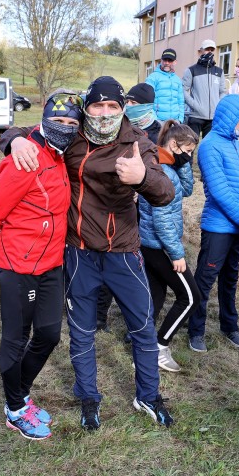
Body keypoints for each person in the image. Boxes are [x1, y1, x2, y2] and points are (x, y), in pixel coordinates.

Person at [0, 76, 175, 431]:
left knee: (142, 327)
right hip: (79, 252)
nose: (105, 113)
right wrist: (14, 139)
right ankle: (89, 397)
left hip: (123, 252)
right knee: (82, 331)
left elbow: (165, 192)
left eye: (113, 106)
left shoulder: (136, 143)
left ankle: (148, 395)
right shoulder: (73, 136)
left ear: (123, 108)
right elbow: (30, 128)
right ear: (88, 108)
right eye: (98, 106)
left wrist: (141, 178)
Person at [0, 90, 83, 440]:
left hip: (52, 265)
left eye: (72, 123)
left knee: (50, 334)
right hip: (18, 267)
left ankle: (19, 394)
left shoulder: (59, 155)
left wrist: (15, 136)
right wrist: (14, 252)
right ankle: (15, 410)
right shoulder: (27, 158)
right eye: (59, 121)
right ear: (44, 118)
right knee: (15, 338)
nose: (65, 128)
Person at [187, 94, 239, 353]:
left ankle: (230, 327)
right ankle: (195, 330)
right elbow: (219, 192)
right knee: (205, 280)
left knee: (230, 279)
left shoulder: (235, 145)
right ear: (231, 117)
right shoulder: (210, 146)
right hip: (219, 228)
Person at [95, 82, 161, 334]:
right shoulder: (116, 129)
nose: (129, 108)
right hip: (121, 209)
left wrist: (142, 181)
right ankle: (99, 316)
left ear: (146, 106)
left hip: (151, 212)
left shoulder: (159, 132)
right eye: (127, 103)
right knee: (111, 261)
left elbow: (163, 178)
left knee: (139, 268)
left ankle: (138, 319)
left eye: (134, 104)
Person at [139, 121, 201, 372]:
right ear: (174, 145)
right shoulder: (163, 173)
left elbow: (186, 190)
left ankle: (141, 344)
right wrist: (176, 254)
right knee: (190, 297)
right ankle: (160, 347)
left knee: (156, 295)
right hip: (161, 246)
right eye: (187, 151)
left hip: (150, 244)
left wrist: (184, 164)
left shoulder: (165, 165)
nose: (189, 156)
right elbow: (162, 219)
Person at [182, 40, 227, 140]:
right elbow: (183, 90)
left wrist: (217, 105)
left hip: (213, 118)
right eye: (207, 49)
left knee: (209, 148)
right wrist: (194, 105)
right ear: (201, 51)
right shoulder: (191, 70)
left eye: (212, 49)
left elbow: (223, 91)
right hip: (196, 116)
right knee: (190, 145)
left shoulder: (219, 71)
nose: (210, 52)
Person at [146, 48, 184, 123]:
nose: (166, 63)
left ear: (175, 62)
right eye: (164, 60)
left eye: (170, 60)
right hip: (158, 122)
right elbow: (146, 100)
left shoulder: (177, 80)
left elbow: (181, 101)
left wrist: (180, 119)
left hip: (175, 122)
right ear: (161, 60)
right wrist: (154, 120)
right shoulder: (152, 77)